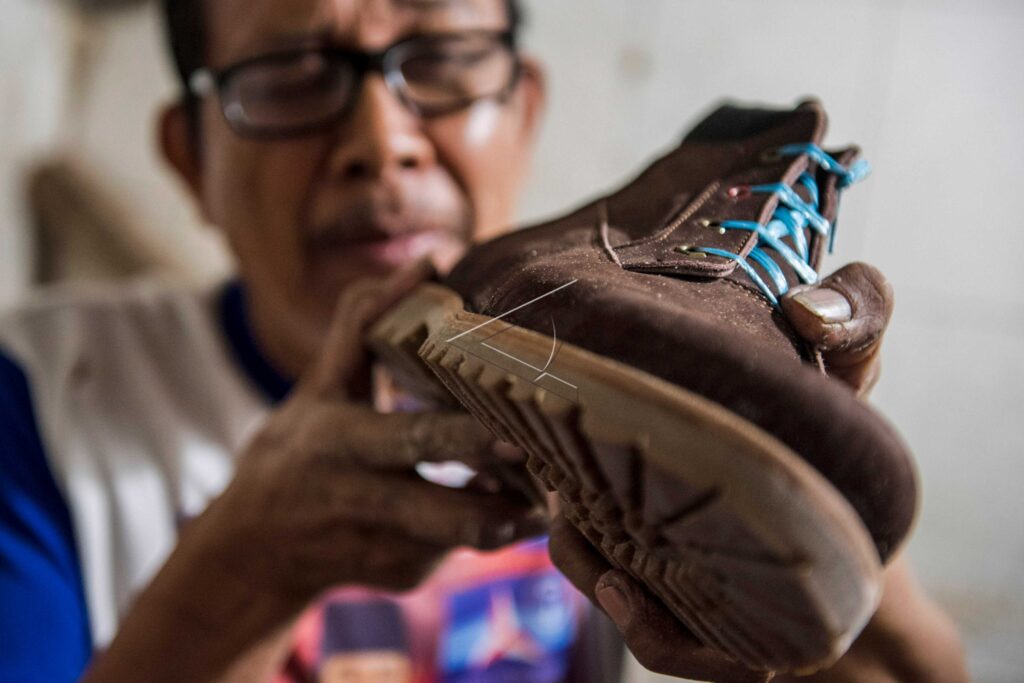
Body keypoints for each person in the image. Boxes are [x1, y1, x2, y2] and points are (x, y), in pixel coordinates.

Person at [0, 0, 968, 681]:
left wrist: (805, 500)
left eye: (444, 60)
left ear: (526, 108)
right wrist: (248, 566)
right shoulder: (42, 394)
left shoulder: (614, 359)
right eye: (289, 79)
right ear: (189, 157)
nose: (383, 140)